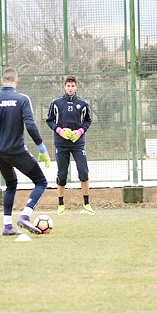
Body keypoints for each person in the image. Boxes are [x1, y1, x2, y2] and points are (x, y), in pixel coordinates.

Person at [0, 68, 51, 236]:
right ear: (17, 80)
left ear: (2, 80)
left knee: (11, 184)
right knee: (41, 182)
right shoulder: (22, 99)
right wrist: (42, 148)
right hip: (17, 151)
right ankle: (25, 215)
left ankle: (7, 226)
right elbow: (30, 125)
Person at [46, 76, 93, 215]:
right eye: (68, 85)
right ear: (64, 87)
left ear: (76, 87)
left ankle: (86, 204)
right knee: (62, 174)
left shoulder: (83, 104)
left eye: (73, 86)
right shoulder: (56, 103)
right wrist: (59, 130)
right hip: (61, 144)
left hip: (78, 144)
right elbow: (49, 121)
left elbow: (87, 121)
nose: (70, 88)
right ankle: (60, 205)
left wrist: (80, 131)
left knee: (83, 171)